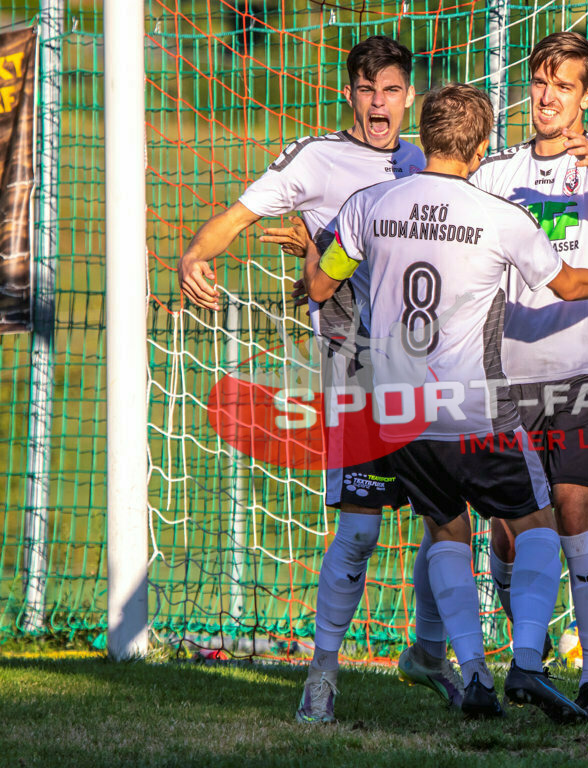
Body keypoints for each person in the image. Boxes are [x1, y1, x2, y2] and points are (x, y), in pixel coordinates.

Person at [304, 82, 588, 722]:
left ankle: (474, 674)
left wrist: (318, 256)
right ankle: (527, 662)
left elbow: (322, 284)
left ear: (425, 136)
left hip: (396, 413)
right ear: (482, 146)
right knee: (536, 524)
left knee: (445, 528)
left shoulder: (369, 203)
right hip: (473, 408)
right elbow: (569, 285)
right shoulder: (498, 215)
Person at [175, 36, 462, 725]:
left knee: (447, 524)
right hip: (354, 367)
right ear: (348, 94)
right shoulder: (315, 158)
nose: (378, 104)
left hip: (431, 367)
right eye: (366, 90)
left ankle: (429, 654)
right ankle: (322, 676)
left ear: (409, 96)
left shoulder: (427, 161)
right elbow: (239, 216)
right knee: (359, 532)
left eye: (391, 90)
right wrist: (193, 254)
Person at [468, 31, 588, 717]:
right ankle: (531, 652)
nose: (548, 97)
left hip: (586, 370)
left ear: (586, 96)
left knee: (577, 515)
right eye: (541, 82)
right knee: (510, 531)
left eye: (564, 86)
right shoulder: (496, 171)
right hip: (506, 374)